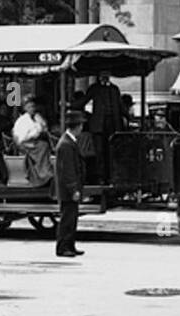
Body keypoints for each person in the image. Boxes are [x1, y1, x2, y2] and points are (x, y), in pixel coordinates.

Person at [54, 109, 86, 258]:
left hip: (69, 188)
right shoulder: (66, 144)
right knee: (67, 218)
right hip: (67, 189)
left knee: (71, 217)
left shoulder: (68, 142)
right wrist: (74, 189)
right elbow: (68, 170)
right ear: (77, 126)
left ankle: (70, 245)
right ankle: (63, 247)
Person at [84, 71, 127, 183]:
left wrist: (128, 115)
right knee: (100, 152)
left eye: (106, 75)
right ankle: (101, 178)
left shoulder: (114, 89)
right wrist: (69, 105)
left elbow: (120, 105)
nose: (105, 77)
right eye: (102, 75)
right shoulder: (94, 88)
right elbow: (84, 100)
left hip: (112, 124)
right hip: (98, 125)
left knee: (112, 152)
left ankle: (112, 176)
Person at [12, 97, 54, 187]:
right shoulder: (22, 120)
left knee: (45, 145)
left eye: (33, 106)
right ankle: (43, 173)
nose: (32, 109)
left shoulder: (38, 117)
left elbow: (44, 128)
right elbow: (20, 137)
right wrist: (35, 134)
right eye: (29, 107)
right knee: (43, 147)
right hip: (25, 144)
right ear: (25, 108)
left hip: (37, 142)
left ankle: (44, 173)